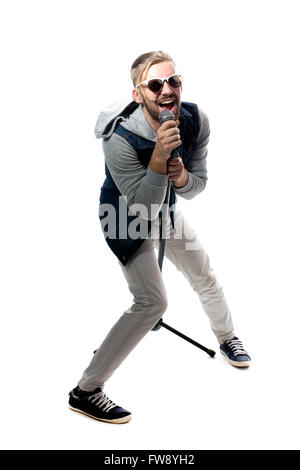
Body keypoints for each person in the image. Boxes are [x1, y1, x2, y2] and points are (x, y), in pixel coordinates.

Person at [68, 51, 251, 424]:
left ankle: (227, 335)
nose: (167, 90)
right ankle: (85, 390)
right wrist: (159, 156)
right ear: (139, 94)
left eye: (173, 81)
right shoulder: (118, 136)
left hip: (165, 206)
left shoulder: (195, 120)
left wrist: (180, 176)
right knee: (152, 302)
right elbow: (139, 205)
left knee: (204, 273)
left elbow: (195, 188)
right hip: (123, 216)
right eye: (155, 84)